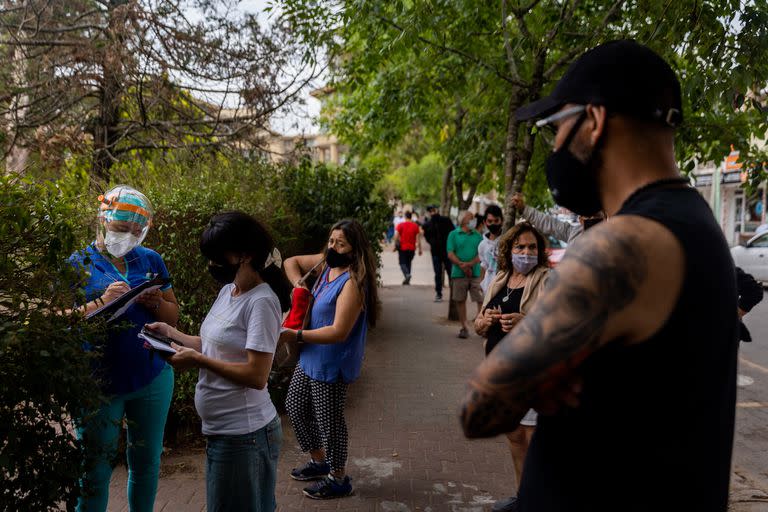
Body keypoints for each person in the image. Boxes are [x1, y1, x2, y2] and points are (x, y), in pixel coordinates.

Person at [460, 40, 739, 511]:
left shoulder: (620, 245)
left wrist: (534, 372)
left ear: (594, 120)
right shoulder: (696, 223)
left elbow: (480, 409)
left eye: (556, 127)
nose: (555, 146)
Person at [147, 211, 290, 512]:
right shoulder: (229, 291)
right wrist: (171, 333)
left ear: (246, 255)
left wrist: (199, 360)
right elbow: (215, 345)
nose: (212, 265)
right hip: (222, 432)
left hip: (245, 435)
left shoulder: (262, 301)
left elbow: (257, 374)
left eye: (217, 257)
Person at [69, 185, 179, 512]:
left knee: (146, 465)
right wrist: (100, 302)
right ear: (103, 219)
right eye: (120, 228)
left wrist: (157, 301)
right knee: (94, 472)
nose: (128, 237)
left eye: (135, 231)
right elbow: (56, 319)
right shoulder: (78, 263)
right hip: (99, 384)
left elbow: (173, 314)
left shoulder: (150, 259)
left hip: (153, 374)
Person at [281, 219, 379, 500]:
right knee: (295, 406)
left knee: (329, 421)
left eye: (341, 243)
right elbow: (291, 261)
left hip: (332, 362)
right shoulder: (326, 265)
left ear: (354, 249)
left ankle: (338, 478)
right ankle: (318, 460)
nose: (333, 246)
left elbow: (338, 332)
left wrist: (295, 335)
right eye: (331, 240)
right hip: (311, 355)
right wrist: (299, 284)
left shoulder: (353, 282)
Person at [474, 222, 549, 512]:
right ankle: (522, 497)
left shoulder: (547, 279)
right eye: (520, 247)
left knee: (532, 441)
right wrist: (484, 321)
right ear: (509, 250)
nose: (526, 252)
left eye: (532, 247)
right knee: (515, 436)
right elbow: (479, 323)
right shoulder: (500, 279)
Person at [510, 193, 603, 244]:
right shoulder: (573, 233)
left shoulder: (614, 239)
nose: (593, 218)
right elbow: (548, 223)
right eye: (588, 216)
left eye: (597, 215)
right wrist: (523, 209)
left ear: (605, 216)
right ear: (581, 220)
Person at [447, 211, 484, 339]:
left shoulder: (478, 236)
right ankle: (464, 327)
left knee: (481, 299)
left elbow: (481, 254)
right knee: (460, 300)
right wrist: (462, 265)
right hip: (458, 273)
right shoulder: (453, 234)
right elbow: (450, 253)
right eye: (471, 218)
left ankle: (480, 325)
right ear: (463, 220)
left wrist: (469, 264)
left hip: (475, 273)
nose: (473, 220)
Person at [423, 205, 455, 302]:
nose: (432, 212)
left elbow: (452, 233)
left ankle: (453, 293)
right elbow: (427, 237)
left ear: (437, 210)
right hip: (436, 252)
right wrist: (433, 243)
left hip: (447, 251)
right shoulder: (427, 224)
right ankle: (438, 293)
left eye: (434, 210)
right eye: (430, 211)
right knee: (438, 273)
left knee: (450, 272)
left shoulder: (446, 220)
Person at [478, 204, 504, 293]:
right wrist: (481, 283)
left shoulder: (508, 241)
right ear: (485, 222)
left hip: (505, 285)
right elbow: (484, 264)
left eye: (496, 221)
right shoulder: (482, 245)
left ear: (502, 221)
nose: (493, 224)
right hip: (488, 287)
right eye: (490, 221)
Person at [392, 211, 422, 285]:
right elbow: (418, 239)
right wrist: (420, 249)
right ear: (411, 217)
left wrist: (395, 246)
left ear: (405, 217)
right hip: (412, 248)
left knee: (402, 263)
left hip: (403, 248)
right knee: (408, 263)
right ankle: (407, 280)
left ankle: (407, 275)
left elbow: (396, 236)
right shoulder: (415, 226)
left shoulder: (400, 225)